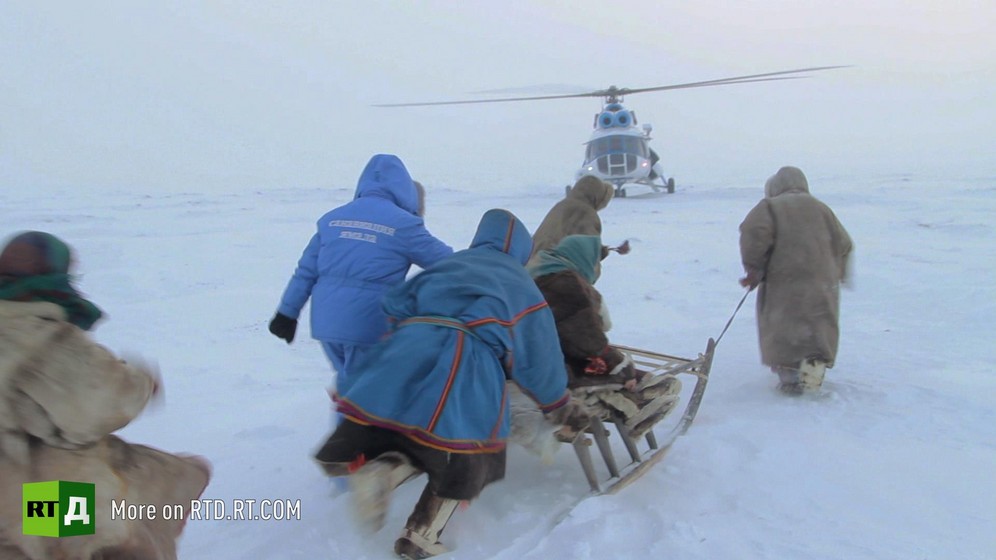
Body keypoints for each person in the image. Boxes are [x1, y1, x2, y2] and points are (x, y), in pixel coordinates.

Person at [313, 209, 590, 559]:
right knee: (464, 450)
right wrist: (557, 404)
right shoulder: (520, 285)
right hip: (466, 359)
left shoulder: (451, 264)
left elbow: (396, 302)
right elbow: (538, 355)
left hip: (408, 347)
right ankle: (421, 534)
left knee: (408, 430)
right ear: (521, 249)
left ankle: (382, 472)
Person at [0, 231, 210, 560]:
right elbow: (101, 403)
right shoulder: (45, 341)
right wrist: (142, 382)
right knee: (176, 481)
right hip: (35, 501)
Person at [268, 154, 453, 397]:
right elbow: (449, 263)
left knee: (351, 386)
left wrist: (287, 313)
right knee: (366, 396)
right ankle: (357, 431)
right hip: (369, 323)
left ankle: (350, 426)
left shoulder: (332, 219)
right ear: (404, 189)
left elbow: (306, 272)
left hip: (327, 323)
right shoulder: (404, 224)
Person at [527, 234, 681, 439]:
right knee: (611, 371)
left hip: (538, 360)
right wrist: (620, 366)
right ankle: (637, 405)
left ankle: (642, 397)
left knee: (608, 369)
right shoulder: (565, 283)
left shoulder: (535, 274)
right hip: (559, 366)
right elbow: (586, 336)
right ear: (583, 257)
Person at [739, 166, 854, 394]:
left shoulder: (770, 207)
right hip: (822, 283)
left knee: (785, 327)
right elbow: (844, 244)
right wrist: (838, 272)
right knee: (817, 326)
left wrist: (754, 268)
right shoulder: (822, 209)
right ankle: (814, 367)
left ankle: (789, 376)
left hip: (785, 281)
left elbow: (753, 233)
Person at [527, 175, 628, 275]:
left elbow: (560, 240)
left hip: (533, 268)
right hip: (556, 275)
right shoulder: (587, 214)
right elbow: (587, 262)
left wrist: (603, 250)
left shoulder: (561, 205)